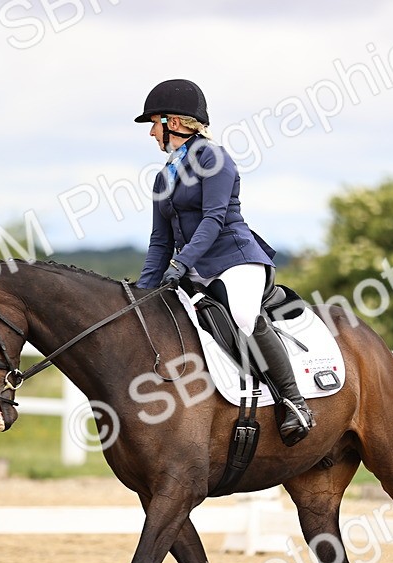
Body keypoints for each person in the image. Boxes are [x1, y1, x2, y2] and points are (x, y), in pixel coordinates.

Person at [134, 78, 315, 445]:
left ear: (175, 122)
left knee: (245, 317)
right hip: (194, 268)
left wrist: (181, 264)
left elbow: (213, 220)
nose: (151, 133)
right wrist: (143, 291)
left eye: (155, 123)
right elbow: (159, 240)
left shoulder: (213, 160)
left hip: (236, 260)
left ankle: (295, 402)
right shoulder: (163, 177)